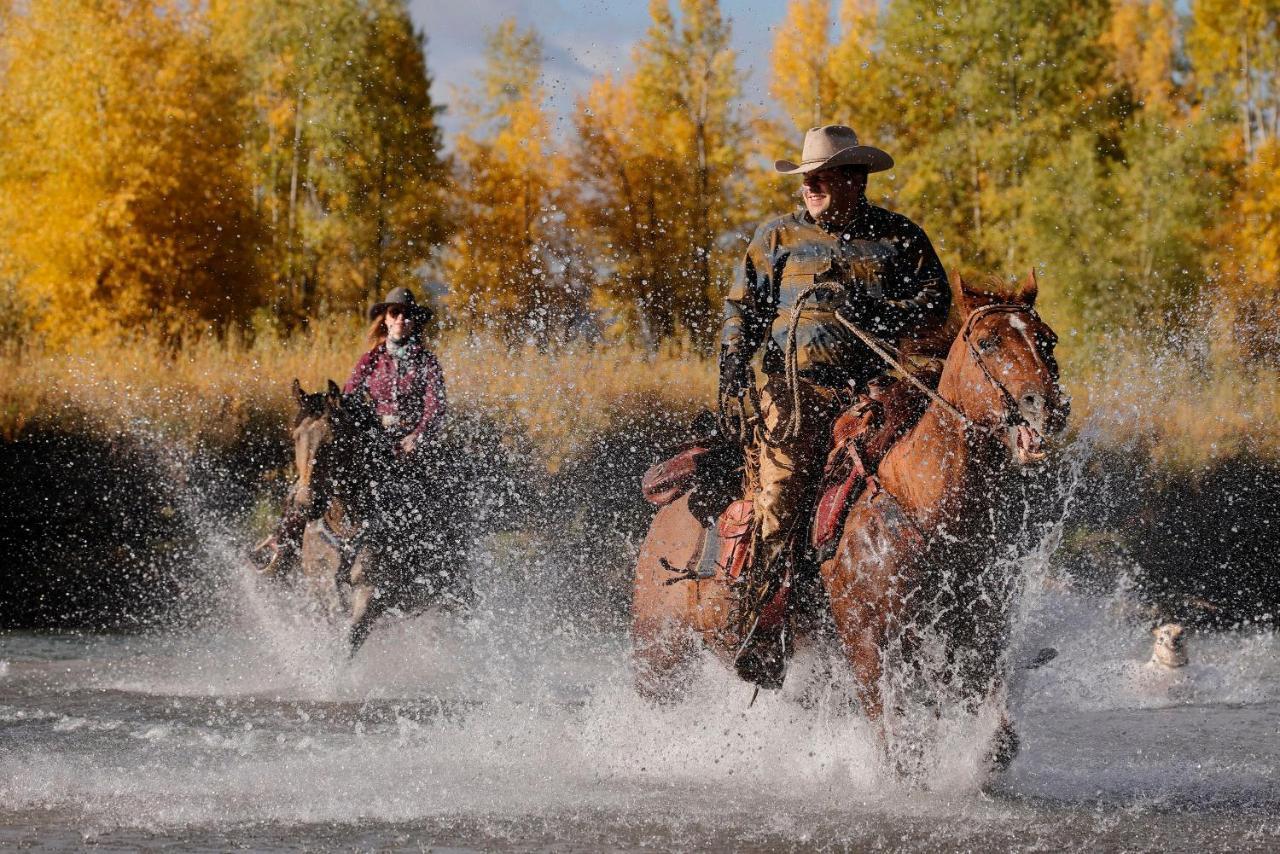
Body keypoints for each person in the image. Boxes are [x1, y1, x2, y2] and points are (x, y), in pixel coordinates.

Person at [717, 124, 950, 621]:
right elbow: (742, 309)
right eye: (807, 177)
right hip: (795, 391)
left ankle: (956, 598)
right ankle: (764, 614)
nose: (810, 185)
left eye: (823, 176)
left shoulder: (901, 238)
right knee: (780, 492)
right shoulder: (775, 238)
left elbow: (936, 304)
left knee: (939, 475)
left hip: (882, 393)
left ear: (856, 179)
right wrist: (733, 364)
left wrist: (883, 313)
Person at [257, 286, 446, 577]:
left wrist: (417, 436)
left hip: (410, 446)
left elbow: (435, 408)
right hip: (374, 441)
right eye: (395, 313)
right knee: (306, 482)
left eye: (408, 316)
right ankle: (282, 544)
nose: (401, 320)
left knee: (425, 496)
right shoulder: (369, 361)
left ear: (415, 322)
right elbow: (347, 402)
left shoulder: (427, 363)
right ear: (385, 318)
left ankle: (428, 562)